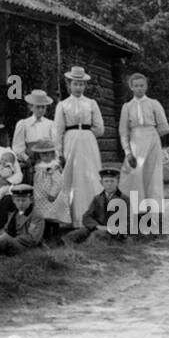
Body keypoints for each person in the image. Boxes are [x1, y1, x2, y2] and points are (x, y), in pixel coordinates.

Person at [55, 66, 106, 231]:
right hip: (70, 142)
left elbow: (100, 128)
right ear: (69, 84)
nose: (78, 87)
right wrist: (59, 152)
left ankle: (95, 217)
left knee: (91, 177)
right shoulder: (63, 105)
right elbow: (58, 131)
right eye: (75, 84)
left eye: (81, 84)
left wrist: (86, 134)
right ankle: (75, 219)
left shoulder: (91, 103)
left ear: (85, 86)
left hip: (88, 142)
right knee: (73, 178)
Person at [118, 73, 169, 204]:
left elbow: (165, 127)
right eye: (136, 86)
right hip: (135, 142)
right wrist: (128, 152)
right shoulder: (127, 107)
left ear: (146, 86)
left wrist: (151, 136)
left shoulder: (154, 104)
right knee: (133, 173)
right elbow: (123, 131)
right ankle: (134, 206)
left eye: (142, 85)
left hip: (152, 141)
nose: (139, 88)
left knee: (152, 174)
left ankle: (153, 208)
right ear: (131, 87)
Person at [0, 185, 44, 261]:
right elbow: (6, 229)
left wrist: (11, 239)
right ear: (13, 201)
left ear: (31, 200)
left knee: (4, 239)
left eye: (24, 200)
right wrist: (0, 235)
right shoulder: (14, 214)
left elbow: (33, 239)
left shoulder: (36, 216)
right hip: (11, 243)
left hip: (25, 247)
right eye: (18, 200)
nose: (21, 203)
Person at [62, 165, 130, 245]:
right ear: (101, 183)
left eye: (112, 181)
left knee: (96, 236)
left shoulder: (124, 198)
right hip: (98, 227)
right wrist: (96, 226)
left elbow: (127, 220)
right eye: (106, 181)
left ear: (117, 182)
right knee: (76, 234)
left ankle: (88, 247)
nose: (109, 184)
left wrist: (110, 228)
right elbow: (87, 216)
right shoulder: (97, 198)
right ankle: (62, 245)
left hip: (115, 231)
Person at [26, 139, 71, 234]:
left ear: (53, 154)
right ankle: (45, 234)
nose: (46, 156)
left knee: (53, 214)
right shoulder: (38, 166)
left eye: (48, 154)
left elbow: (58, 182)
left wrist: (53, 194)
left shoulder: (53, 167)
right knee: (43, 215)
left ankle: (55, 234)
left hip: (51, 195)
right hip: (40, 195)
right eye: (43, 154)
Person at [12, 90, 56, 164]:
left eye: (43, 107)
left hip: (47, 159)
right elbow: (18, 146)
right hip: (30, 159)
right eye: (38, 107)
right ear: (31, 107)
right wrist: (26, 158)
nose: (41, 110)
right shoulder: (24, 124)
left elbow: (55, 143)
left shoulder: (50, 124)